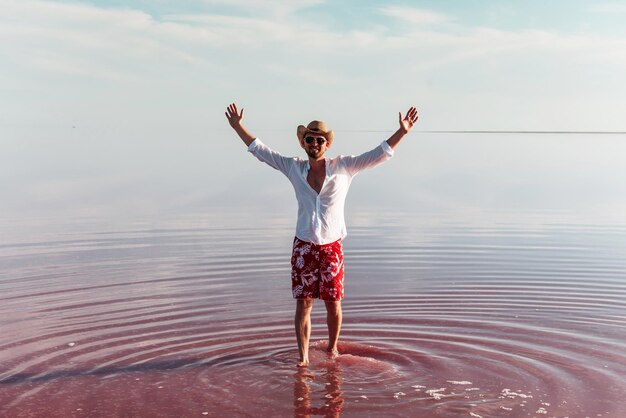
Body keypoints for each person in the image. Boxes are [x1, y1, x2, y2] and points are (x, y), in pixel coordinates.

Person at [225, 103, 418, 367]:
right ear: (303, 143)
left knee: (333, 303)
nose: (314, 143)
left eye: (319, 140)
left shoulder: (344, 167)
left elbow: (379, 154)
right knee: (303, 305)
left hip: (331, 247)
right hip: (304, 246)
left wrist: (402, 132)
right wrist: (238, 127)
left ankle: (332, 348)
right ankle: (303, 359)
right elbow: (261, 151)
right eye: (309, 139)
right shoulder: (293, 167)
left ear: (326, 144)